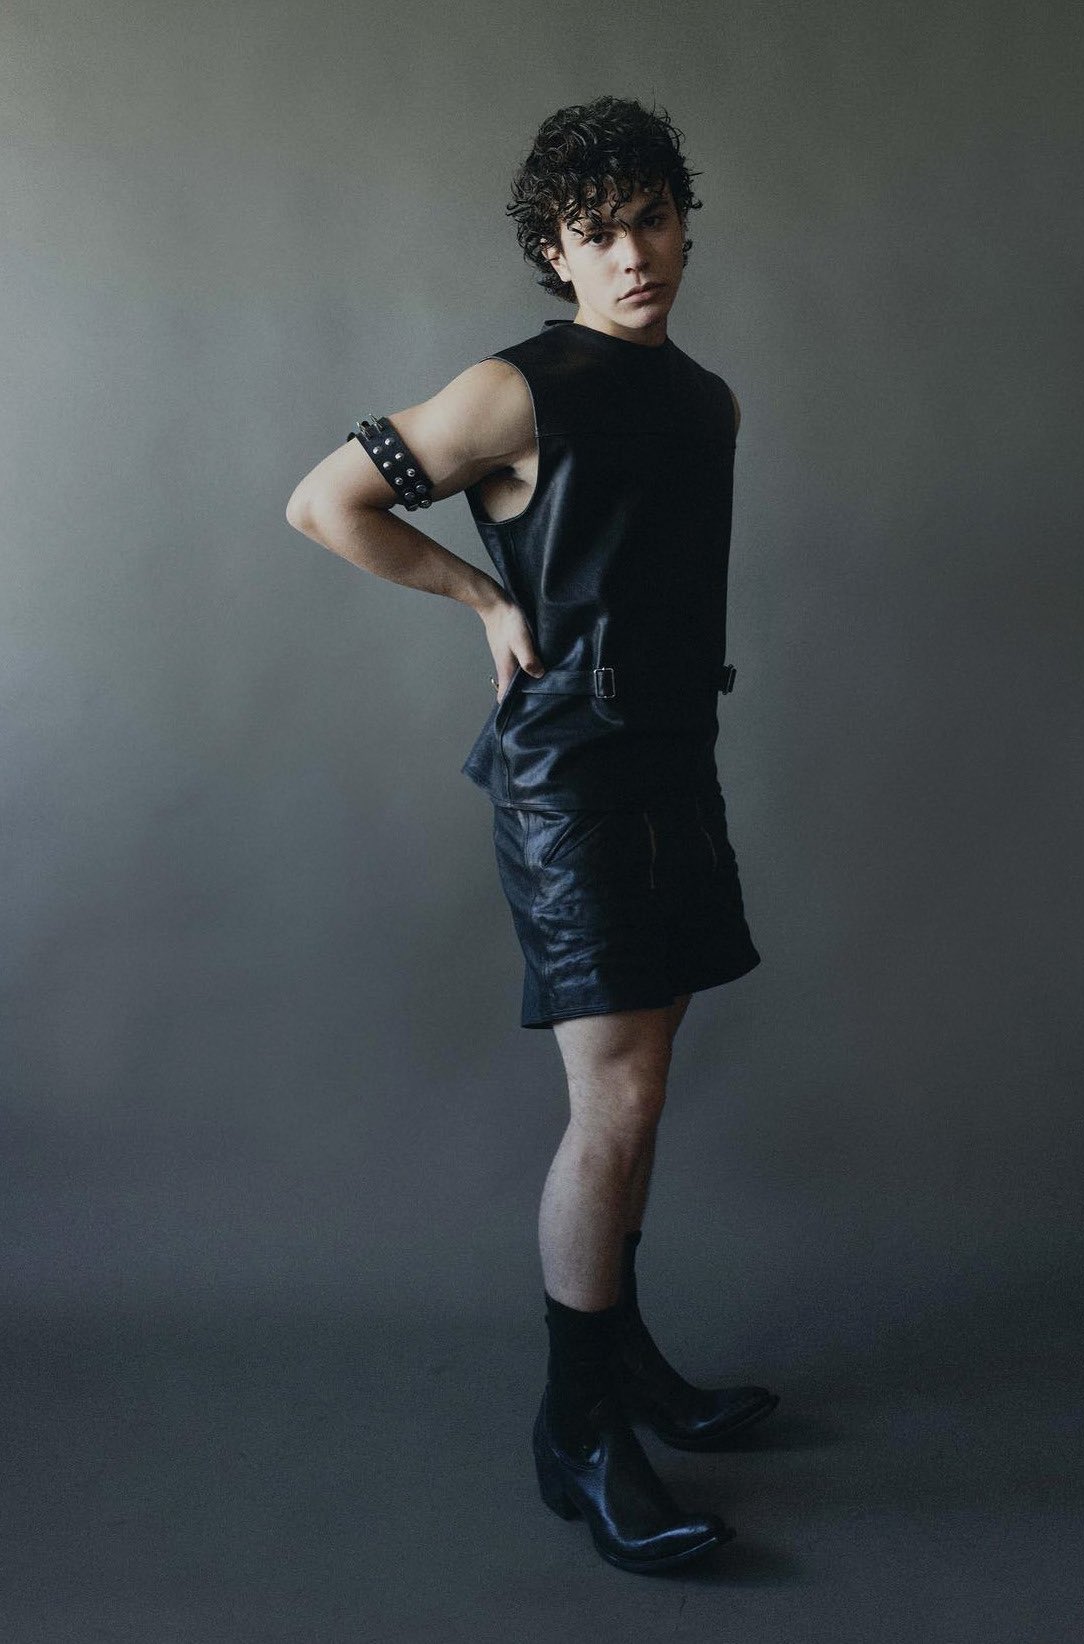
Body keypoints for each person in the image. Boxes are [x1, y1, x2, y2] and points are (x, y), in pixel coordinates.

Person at [285, 94, 777, 1574]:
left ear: (684, 224)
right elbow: (325, 502)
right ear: (556, 252)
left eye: (652, 220)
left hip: (674, 760)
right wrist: (483, 598)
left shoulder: (706, 400)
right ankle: (578, 1431)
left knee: (646, 1087)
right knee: (612, 1099)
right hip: (571, 779)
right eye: (597, 233)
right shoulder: (517, 390)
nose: (632, 255)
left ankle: (626, 1363)